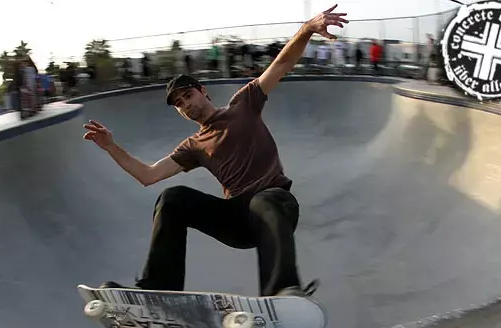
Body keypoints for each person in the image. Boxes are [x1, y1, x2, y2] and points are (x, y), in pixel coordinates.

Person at [83, 5, 348, 297]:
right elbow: (148, 175)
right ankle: (159, 288)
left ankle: (282, 291)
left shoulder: (244, 104)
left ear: (203, 91)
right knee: (172, 198)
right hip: (238, 221)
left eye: (188, 95)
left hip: (277, 208)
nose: (187, 105)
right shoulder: (194, 146)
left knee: (267, 198)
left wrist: (307, 29)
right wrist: (110, 147)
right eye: (180, 104)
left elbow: (281, 65)